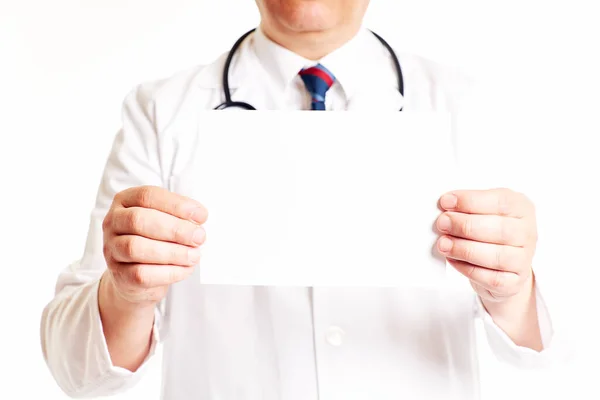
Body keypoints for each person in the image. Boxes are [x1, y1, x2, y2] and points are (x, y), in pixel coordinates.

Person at [40, 0, 561, 399]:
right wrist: (128, 295)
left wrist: (511, 292)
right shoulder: (160, 112)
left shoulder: (465, 103)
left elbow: (552, 350)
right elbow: (77, 371)